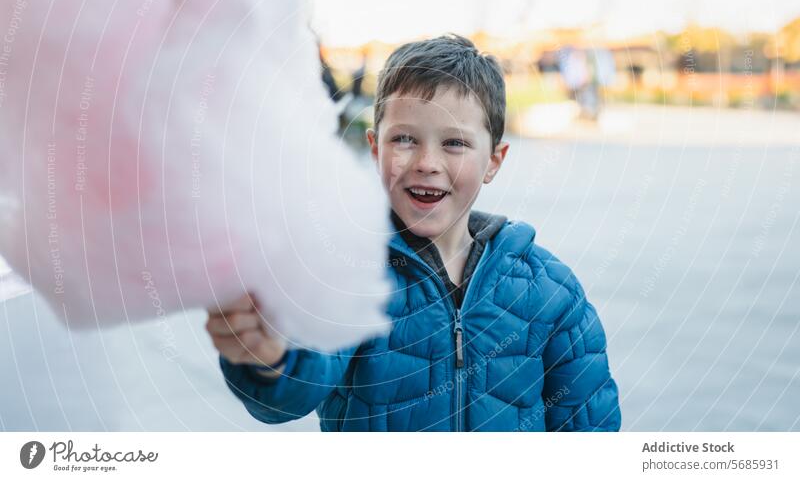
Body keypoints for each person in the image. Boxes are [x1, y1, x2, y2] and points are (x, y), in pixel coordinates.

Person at [207, 34, 621, 432]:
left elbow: (589, 428)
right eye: (404, 139)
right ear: (375, 149)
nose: (426, 162)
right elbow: (291, 393)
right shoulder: (346, 278)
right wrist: (271, 357)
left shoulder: (552, 292)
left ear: (494, 160)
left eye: (454, 143)